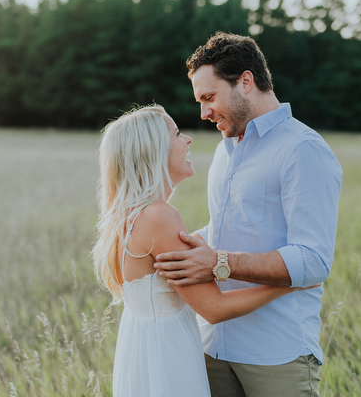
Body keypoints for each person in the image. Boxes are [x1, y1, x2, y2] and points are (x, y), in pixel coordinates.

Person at [154, 32, 343, 396]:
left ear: (245, 81)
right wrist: (173, 244)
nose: (203, 112)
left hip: (276, 351)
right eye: (199, 101)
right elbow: (229, 226)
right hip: (212, 345)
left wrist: (218, 262)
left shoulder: (303, 150)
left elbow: (313, 260)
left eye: (209, 97)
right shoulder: (227, 148)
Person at [92, 104, 316, 397]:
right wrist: (292, 283)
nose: (188, 140)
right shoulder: (160, 216)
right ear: (153, 150)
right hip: (167, 356)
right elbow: (214, 308)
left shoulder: (128, 217)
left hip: (142, 350)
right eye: (177, 134)